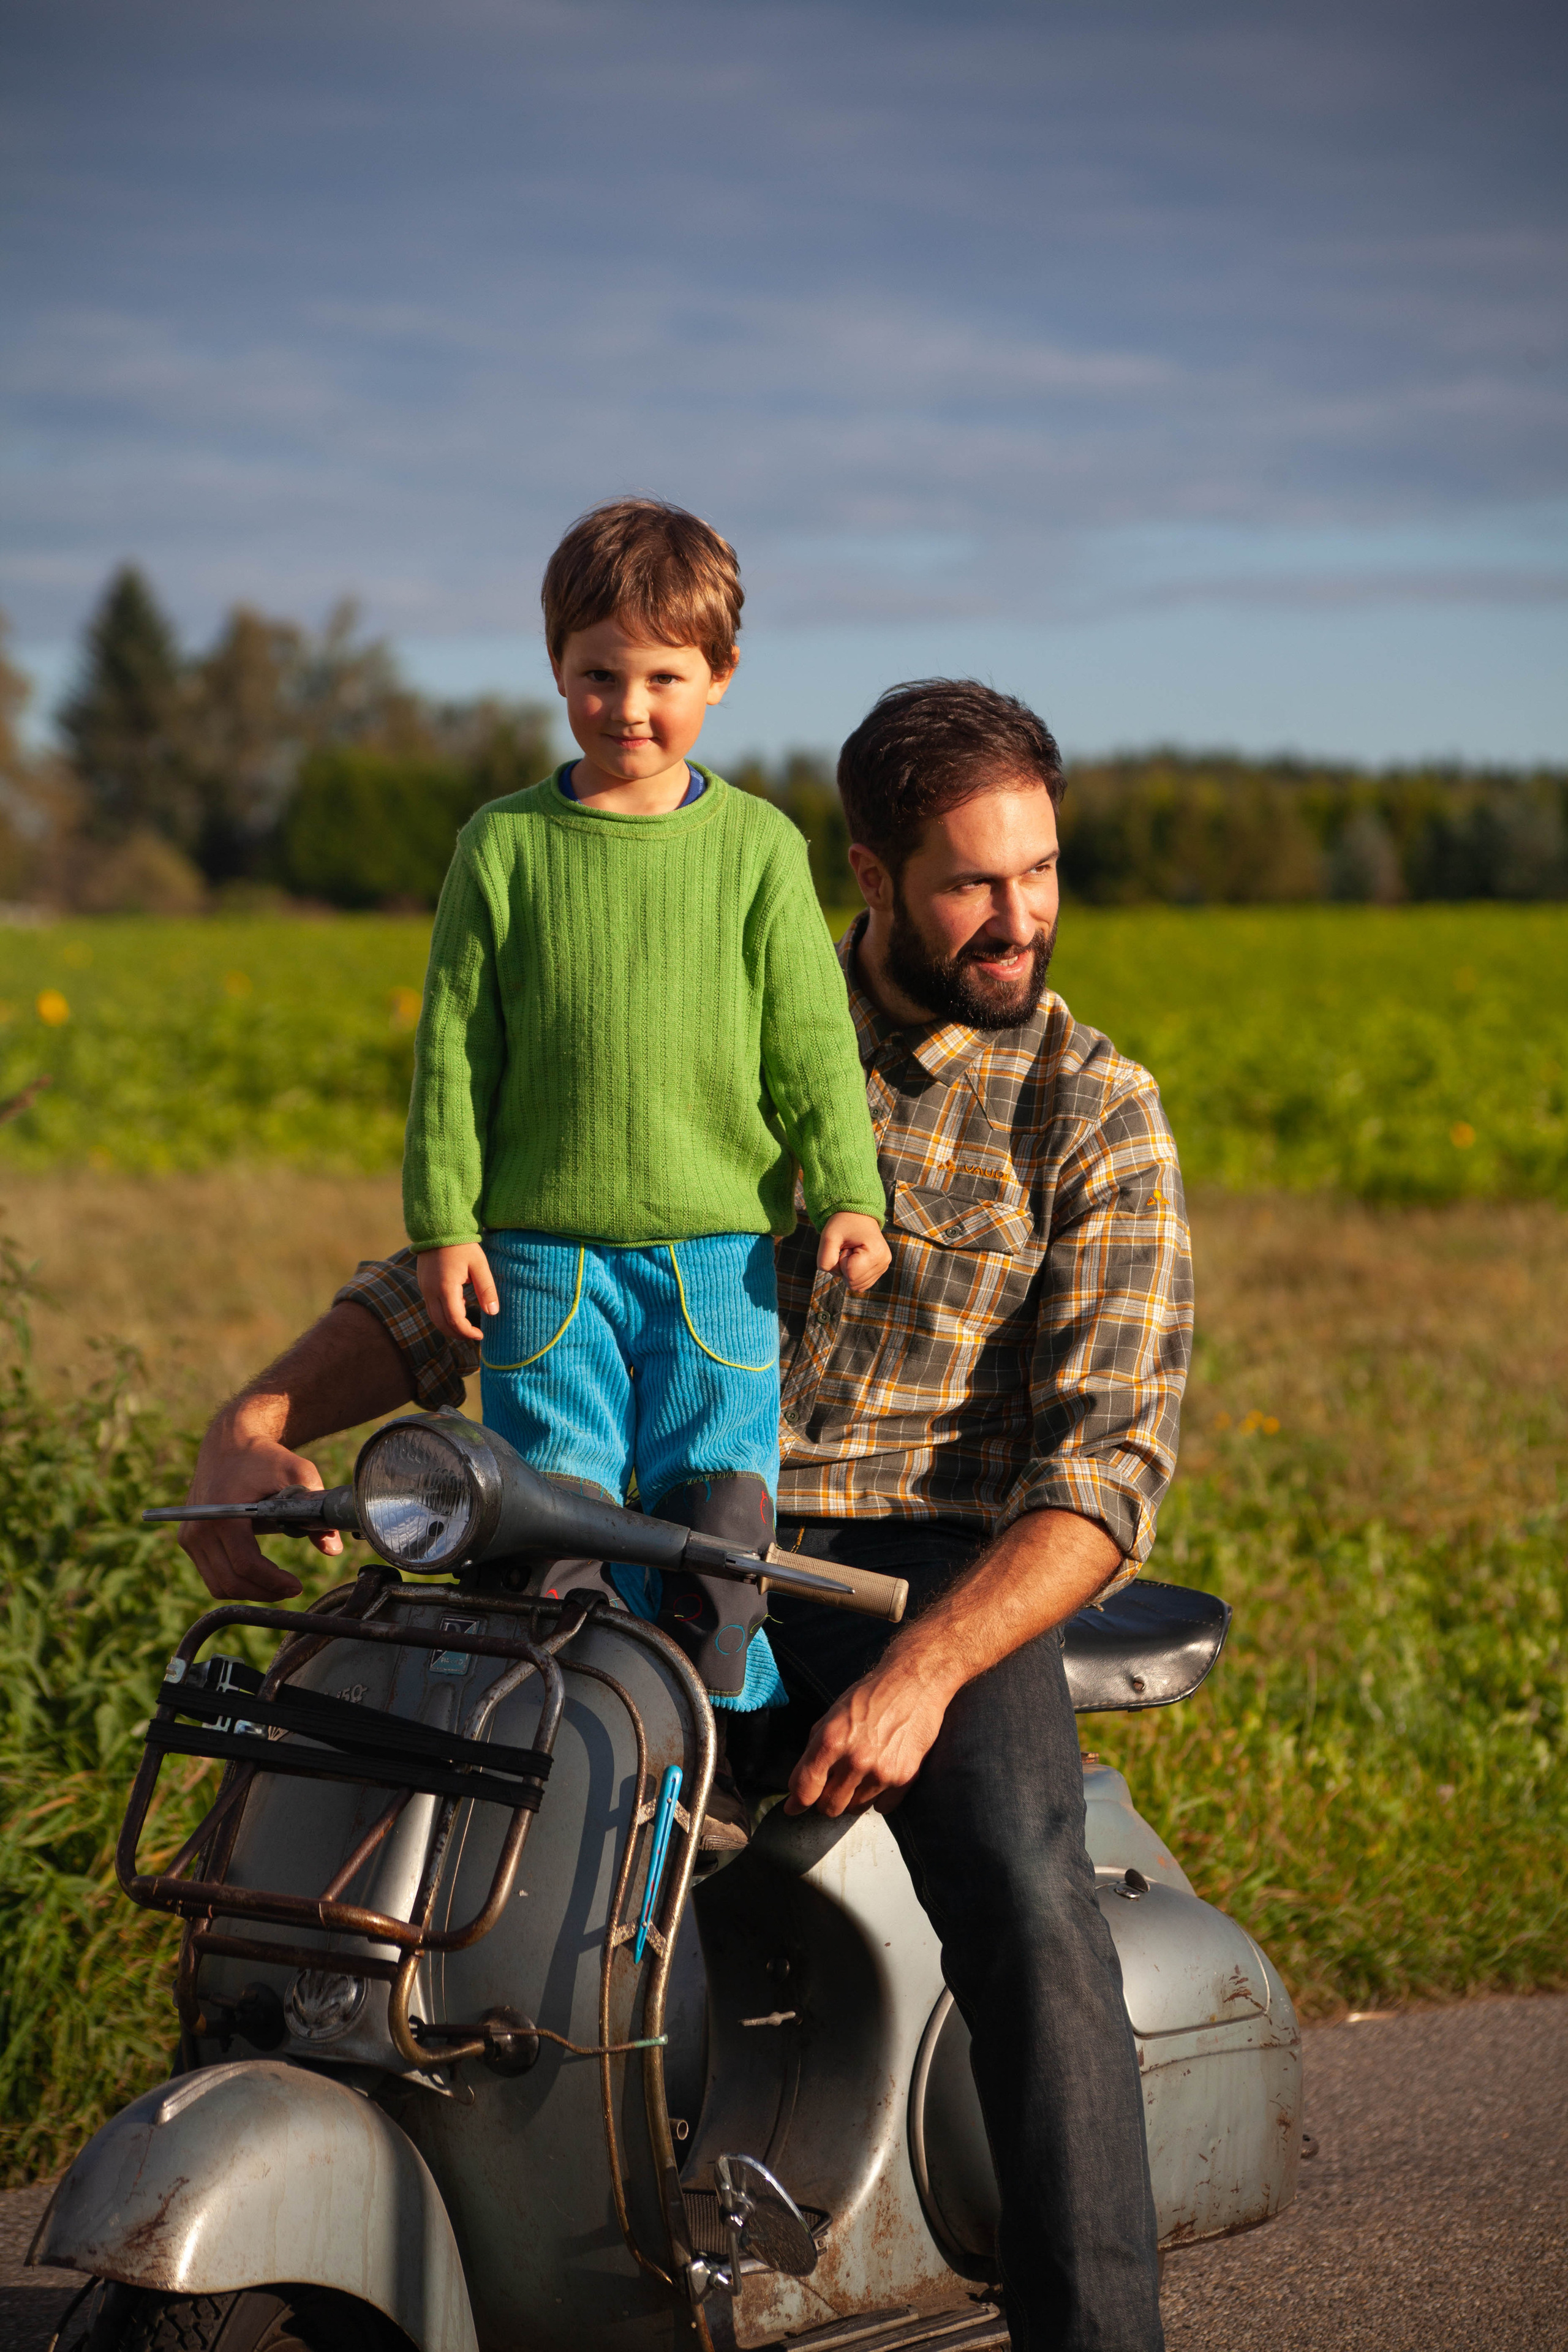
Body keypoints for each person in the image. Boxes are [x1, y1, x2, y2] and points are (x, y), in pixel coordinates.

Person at [180, 677, 1191, 2352]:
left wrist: (925, 1676)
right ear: (870, 877)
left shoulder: (1090, 1110)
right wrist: (266, 1413)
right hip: (666, 1529)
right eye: (970, 882)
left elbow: (1104, 1477)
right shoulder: (724, 1004)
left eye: (1040, 872)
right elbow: (508, 1269)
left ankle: (1097, 2335)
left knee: (1028, 1896)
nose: (1019, 918)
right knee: (451, 1831)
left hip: (925, 1576)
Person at [404, 497, 888, 1724]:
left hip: (717, 1258)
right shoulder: (503, 846)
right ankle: (552, 1741)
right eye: (598, 675)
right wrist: (443, 1225)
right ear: (556, 668)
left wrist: (847, 1190)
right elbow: (454, 1051)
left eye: (664, 677)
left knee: (713, 1519)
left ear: (720, 675)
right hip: (540, 1257)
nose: (629, 706)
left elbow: (809, 1045)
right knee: (545, 1517)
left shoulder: (759, 847)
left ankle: (712, 1751)